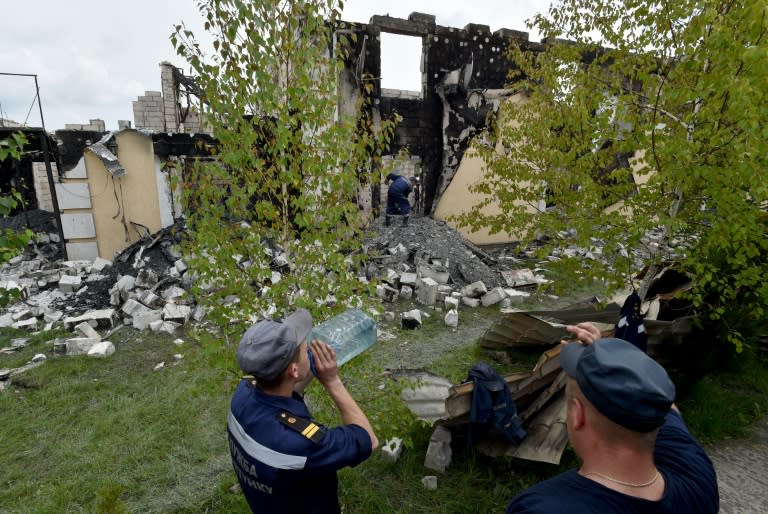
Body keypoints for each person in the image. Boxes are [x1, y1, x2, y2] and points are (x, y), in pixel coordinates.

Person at [506, 322, 719, 513]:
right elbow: (665, 406)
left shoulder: (540, 507)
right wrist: (608, 360)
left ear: (578, 415)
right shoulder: (698, 478)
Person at [227, 308, 378, 514]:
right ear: (293, 370)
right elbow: (369, 439)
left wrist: (311, 365)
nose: (309, 347)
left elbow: (284, 386)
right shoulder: (301, 444)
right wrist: (332, 381)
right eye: (305, 346)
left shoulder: (242, 396)